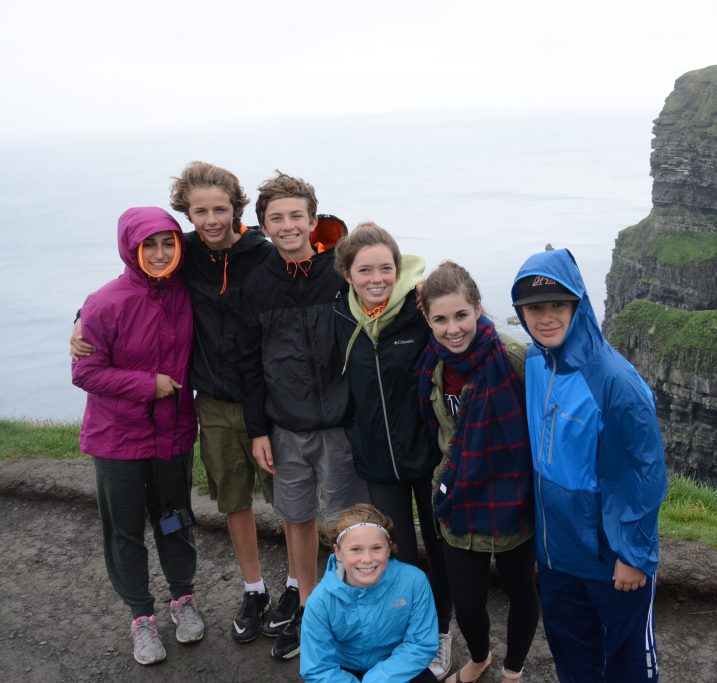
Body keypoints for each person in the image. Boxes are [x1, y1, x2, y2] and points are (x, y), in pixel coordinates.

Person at [71, 162, 289, 646]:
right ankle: (156, 614)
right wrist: (82, 317)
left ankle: (220, 596)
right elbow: (109, 318)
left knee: (194, 515)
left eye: (220, 209)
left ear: (235, 208)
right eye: (199, 212)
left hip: (210, 420)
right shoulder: (153, 273)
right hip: (157, 423)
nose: (210, 220)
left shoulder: (233, 260)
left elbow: (310, 254)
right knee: (156, 521)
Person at [511, 248, 668, 683]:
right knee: (572, 657)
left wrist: (633, 554)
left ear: (578, 304)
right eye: (533, 308)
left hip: (610, 558)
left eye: (557, 305)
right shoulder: (536, 363)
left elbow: (643, 472)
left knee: (627, 663)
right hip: (558, 554)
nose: (545, 318)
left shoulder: (615, 380)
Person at [237, 171, 369, 661]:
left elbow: (387, 289)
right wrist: (257, 431)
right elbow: (248, 363)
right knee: (297, 517)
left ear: (314, 221)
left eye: (297, 216)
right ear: (264, 228)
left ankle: (350, 610)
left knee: (349, 523)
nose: (288, 225)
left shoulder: (339, 275)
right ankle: (312, 610)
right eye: (277, 218)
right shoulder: (256, 285)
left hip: (340, 424)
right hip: (284, 426)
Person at [71, 207, 203, 666]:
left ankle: (183, 598)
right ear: (131, 248)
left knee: (174, 518)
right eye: (149, 245)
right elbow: (85, 371)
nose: (161, 253)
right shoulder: (104, 303)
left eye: (169, 243)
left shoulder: (190, 291)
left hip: (173, 437)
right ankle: (140, 617)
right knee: (125, 530)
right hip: (117, 442)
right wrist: (150, 384)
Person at [334, 223, 453, 679]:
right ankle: (409, 634)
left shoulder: (417, 309)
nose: (377, 277)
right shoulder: (339, 317)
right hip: (378, 462)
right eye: (365, 269)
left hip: (427, 457)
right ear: (348, 273)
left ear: (399, 268)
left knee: (441, 549)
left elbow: (465, 321)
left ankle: (442, 631)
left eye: (386, 267)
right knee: (397, 554)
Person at [414, 261, 539, 683]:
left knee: (521, 589)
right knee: (466, 602)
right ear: (427, 320)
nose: (453, 329)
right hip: (457, 496)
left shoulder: (514, 359)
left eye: (462, 315)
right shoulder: (431, 363)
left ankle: (513, 670)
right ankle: (480, 657)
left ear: (478, 308)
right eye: (441, 319)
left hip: (511, 494)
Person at [300, 504, 439, 682]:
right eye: (356, 549)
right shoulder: (320, 600)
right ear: (338, 552)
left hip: (397, 665)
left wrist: (379, 678)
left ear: (389, 549)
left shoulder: (414, 581)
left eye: (376, 548)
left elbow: (420, 645)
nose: (367, 559)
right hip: (342, 671)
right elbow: (317, 668)